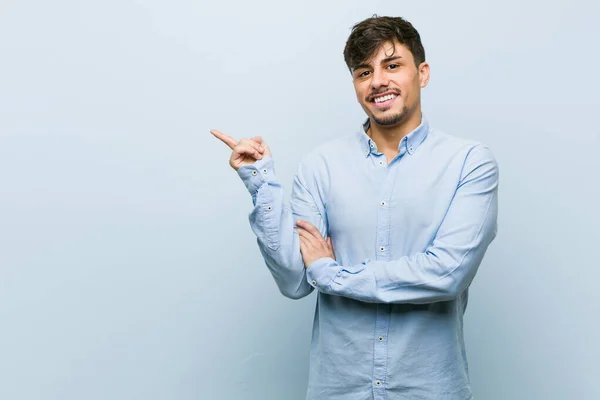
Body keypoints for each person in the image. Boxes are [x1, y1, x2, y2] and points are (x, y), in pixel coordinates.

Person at [211, 15, 498, 400]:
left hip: (429, 390)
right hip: (338, 390)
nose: (377, 81)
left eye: (392, 65)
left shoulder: (468, 162)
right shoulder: (321, 165)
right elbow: (296, 281)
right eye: (364, 72)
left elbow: (447, 273)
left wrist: (331, 274)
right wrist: (260, 182)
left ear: (423, 73)